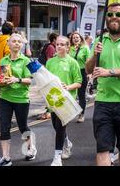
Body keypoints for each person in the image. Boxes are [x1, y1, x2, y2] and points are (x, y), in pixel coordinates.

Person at [85, 3, 120, 166]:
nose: (113, 18)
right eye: (110, 15)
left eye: (118, 15)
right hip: (103, 101)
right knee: (103, 148)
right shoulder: (99, 40)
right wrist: (95, 55)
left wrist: (109, 72)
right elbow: (88, 69)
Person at [0, 33, 36, 166]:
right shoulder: (3, 61)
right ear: (8, 43)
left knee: (23, 127)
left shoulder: (26, 61)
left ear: (22, 44)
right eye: (14, 41)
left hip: (21, 99)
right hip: (5, 98)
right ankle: (6, 158)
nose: (17, 43)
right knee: (4, 127)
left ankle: (31, 148)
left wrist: (16, 79)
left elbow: (30, 80)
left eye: (19, 41)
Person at [46, 36, 82, 166]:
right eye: (57, 44)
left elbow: (78, 82)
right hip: (53, 100)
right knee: (56, 127)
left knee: (60, 128)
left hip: (66, 101)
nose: (59, 46)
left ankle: (57, 157)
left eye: (62, 44)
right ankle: (67, 142)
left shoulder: (73, 62)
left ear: (68, 47)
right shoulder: (50, 62)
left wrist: (68, 87)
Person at [0, 21, 13, 120]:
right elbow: (9, 54)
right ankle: (3, 115)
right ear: (11, 30)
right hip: (5, 67)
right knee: (7, 92)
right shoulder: (8, 40)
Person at [69, 31, 90, 123]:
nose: (75, 39)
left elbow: (88, 61)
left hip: (82, 72)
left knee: (81, 95)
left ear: (81, 38)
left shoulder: (85, 48)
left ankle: (81, 114)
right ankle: (69, 114)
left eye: (77, 37)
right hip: (70, 73)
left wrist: (89, 73)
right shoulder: (69, 48)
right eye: (73, 38)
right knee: (70, 95)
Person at [37, 32, 58, 120]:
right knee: (50, 92)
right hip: (48, 73)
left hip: (46, 72)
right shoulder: (51, 47)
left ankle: (49, 110)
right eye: (57, 40)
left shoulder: (50, 46)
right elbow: (50, 60)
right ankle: (49, 112)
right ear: (54, 40)